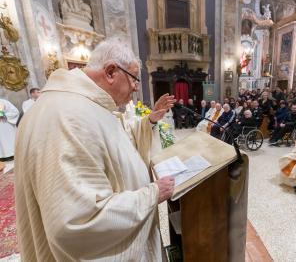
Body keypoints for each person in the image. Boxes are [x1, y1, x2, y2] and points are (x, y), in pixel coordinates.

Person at [14, 38, 175, 261]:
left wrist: (149, 123)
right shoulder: (69, 117)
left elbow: (118, 143)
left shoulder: (84, 105)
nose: (137, 87)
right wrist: (152, 193)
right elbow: (78, 221)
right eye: (134, 79)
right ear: (110, 72)